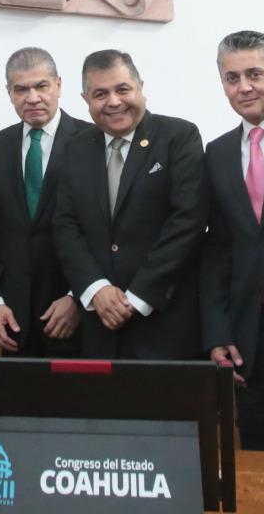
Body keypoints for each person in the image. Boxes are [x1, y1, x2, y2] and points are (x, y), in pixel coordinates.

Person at [53, 49, 206, 359]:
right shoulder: (75, 148)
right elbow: (65, 226)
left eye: (122, 89)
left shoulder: (179, 136)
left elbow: (188, 222)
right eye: (100, 93)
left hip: (165, 320)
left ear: (140, 87)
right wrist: (96, 288)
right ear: (86, 100)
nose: (113, 101)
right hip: (99, 322)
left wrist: (136, 297)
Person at [200, 30, 264, 452]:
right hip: (250, 339)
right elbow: (216, 247)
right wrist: (217, 331)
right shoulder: (218, 151)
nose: (243, 87)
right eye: (231, 78)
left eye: (255, 74)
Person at [0, 46, 89, 355]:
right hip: (13, 316)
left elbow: (102, 231)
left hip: (76, 314)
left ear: (59, 85)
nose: (32, 97)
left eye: (41, 86)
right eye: (21, 89)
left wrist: (78, 296)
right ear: (9, 92)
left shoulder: (91, 141)